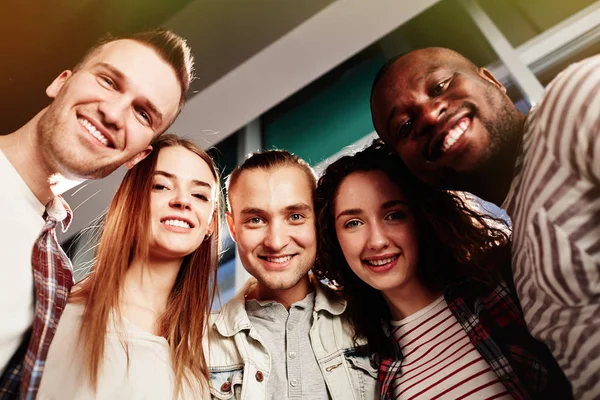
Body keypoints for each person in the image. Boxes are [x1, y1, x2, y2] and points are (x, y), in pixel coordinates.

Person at [369, 48, 600, 397]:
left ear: (491, 81)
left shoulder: (574, 102)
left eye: (439, 87)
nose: (429, 116)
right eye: (404, 126)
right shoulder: (520, 269)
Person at [0, 29, 194, 397]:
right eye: (108, 81)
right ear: (61, 82)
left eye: (142, 113)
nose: (112, 112)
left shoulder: (55, 278)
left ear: (138, 156)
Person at [313, 140, 572, 399]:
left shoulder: (502, 287)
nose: (377, 240)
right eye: (354, 223)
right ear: (334, 239)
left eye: (393, 215)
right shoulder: (367, 358)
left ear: (421, 217)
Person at [35, 134, 221, 399]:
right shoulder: (66, 318)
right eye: (161, 186)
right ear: (133, 200)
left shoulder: (203, 357)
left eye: (200, 195)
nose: (183, 201)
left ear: (210, 223)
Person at [205, 150, 379, 400]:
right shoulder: (198, 345)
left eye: (295, 216)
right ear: (233, 228)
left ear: (317, 219)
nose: (276, 242)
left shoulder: (371, 319)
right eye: (255, 220)